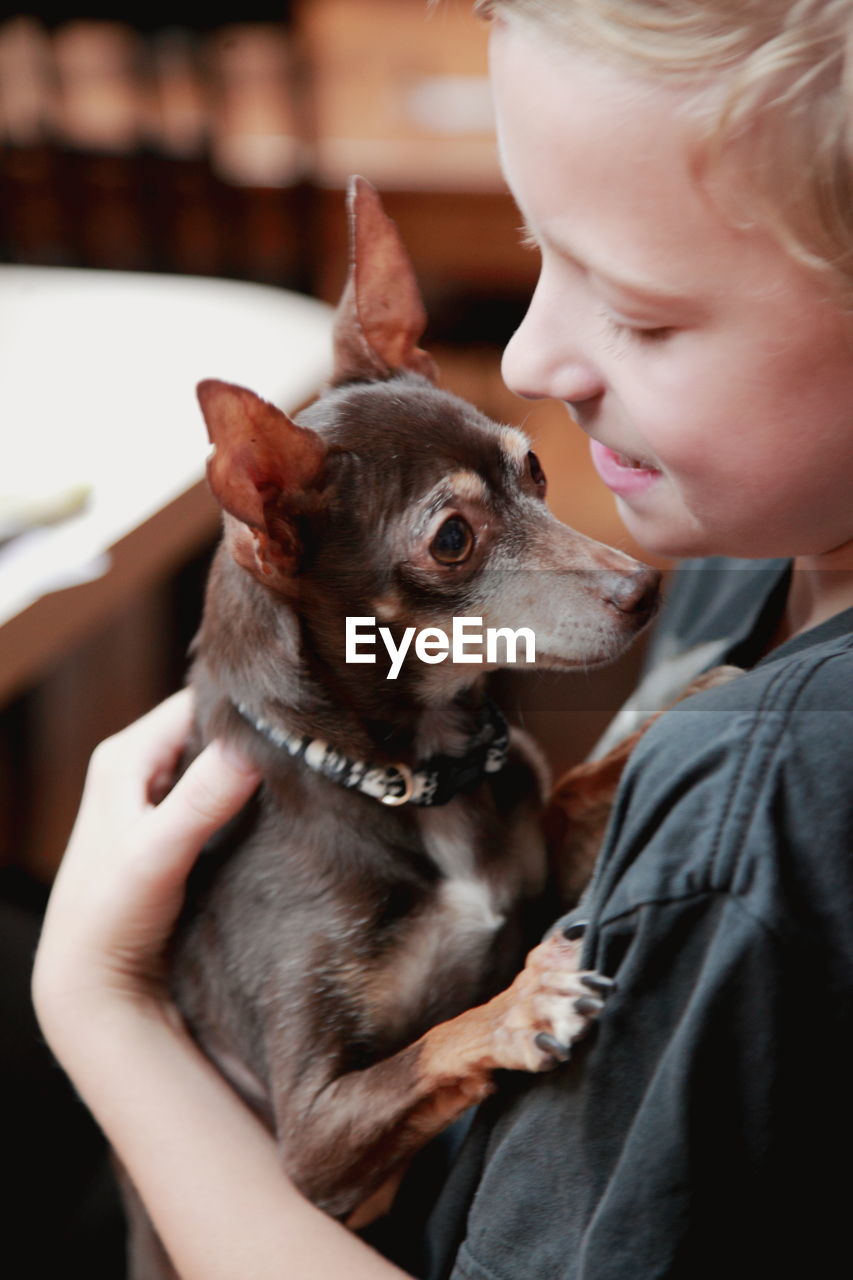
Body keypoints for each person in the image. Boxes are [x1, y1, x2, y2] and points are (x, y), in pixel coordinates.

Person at [32, 2, 853, 1276]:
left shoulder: (761, 806)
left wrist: (92, 1000)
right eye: (538, 254)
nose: (526, 353)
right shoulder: (749, 552)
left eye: (638, 309)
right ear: (270, 516)